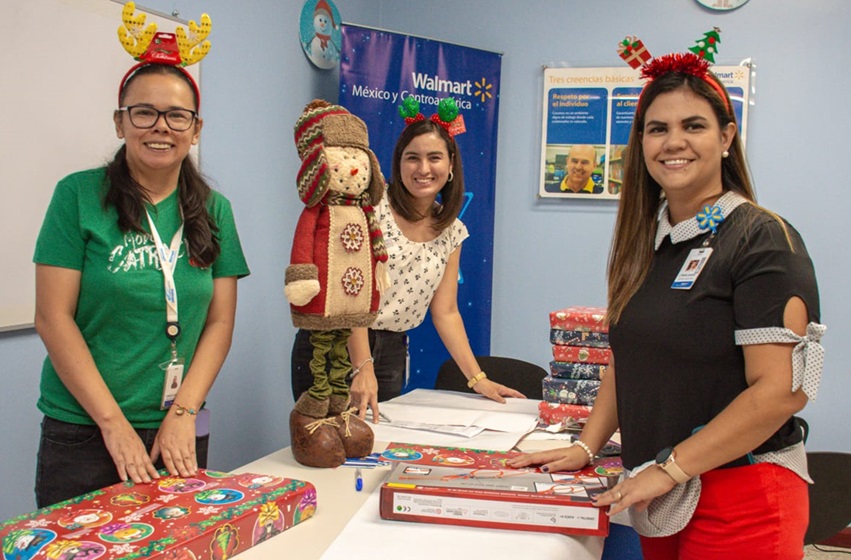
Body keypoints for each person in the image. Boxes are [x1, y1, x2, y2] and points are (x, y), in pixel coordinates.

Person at [509, 49, 824, 558]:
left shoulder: (762, 239)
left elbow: (781, 392)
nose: (673, 142)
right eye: (657, 129)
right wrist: (587, 445)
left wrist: (668, 467)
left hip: (743, 493)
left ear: (725, 138)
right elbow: (629, 357)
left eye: (693, 126)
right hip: (663, 488)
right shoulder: (649, 240)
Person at [32, 7, 249, 507]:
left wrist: (183, 414)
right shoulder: (79, 196)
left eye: (177, 116)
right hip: (84, 429)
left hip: (178, 427)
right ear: (120, 121)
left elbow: (219, 323)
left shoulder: (215, 210)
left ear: (195, 129)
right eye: (144, 112)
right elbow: (52, 317)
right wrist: (113, 424)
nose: (161, 127)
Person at [292, 98, 524, 422]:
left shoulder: (452, 231)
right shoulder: (369, 208)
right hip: (336, 343)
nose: (423, 169)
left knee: (373, 448)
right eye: (412, 158)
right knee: (324, 446)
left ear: (451, 164)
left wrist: (478, 379)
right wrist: (362, 365)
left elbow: (446, 311)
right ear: (398, 163)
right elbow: (349, 294)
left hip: (391, 353)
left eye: (434, 158)